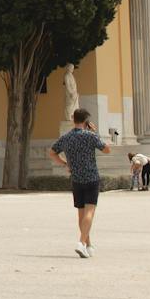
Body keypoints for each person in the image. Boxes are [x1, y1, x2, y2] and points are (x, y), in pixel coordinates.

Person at [50, 109, 111, 258]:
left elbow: (52, 152)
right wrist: (95, 133)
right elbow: (107, 150)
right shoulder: (90, 136)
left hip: (76, 178)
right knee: (89, 212)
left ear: (73, 120)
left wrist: (65, 164)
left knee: (81, 214)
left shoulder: (66, 137)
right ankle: (81, 242)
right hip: (91, 177)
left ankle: (87, 245)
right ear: (86, 121)